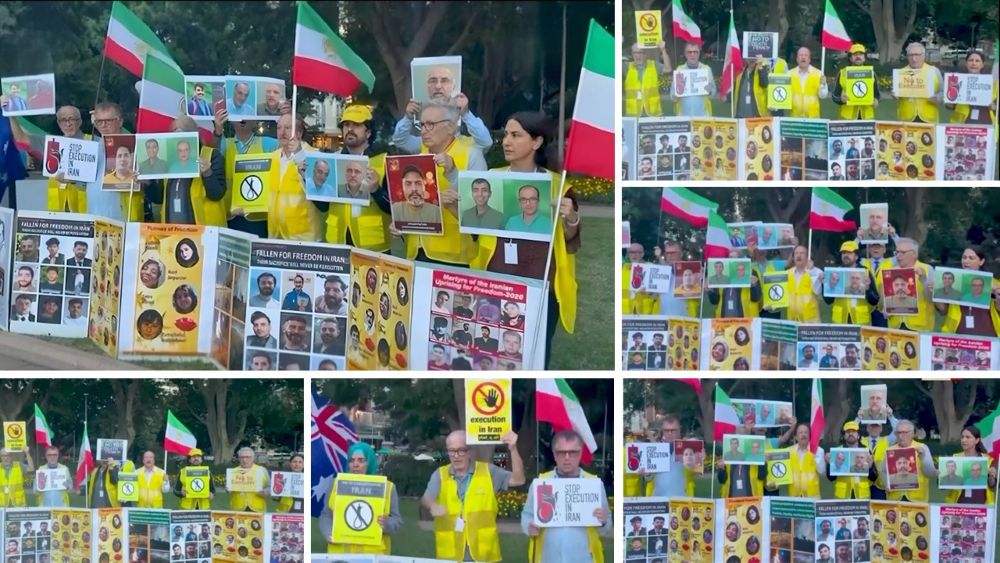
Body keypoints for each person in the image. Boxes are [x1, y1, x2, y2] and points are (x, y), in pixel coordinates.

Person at [468, 112, 579, 367]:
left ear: (536, 142)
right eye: (506, 134)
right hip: (495, 283)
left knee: (535, 358)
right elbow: (476, 231)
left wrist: (570, 217)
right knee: (491, 353)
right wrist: (456, 208)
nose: (506, 141)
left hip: (541, 288)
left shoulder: (558, 185)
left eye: (516, 135)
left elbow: (571, 241)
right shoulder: (490, 179)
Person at [422, 430, 524, 562]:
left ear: (470, 451)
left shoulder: (489, 471)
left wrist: (513, 449)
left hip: (484, 553)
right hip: (450, 554)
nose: (456, 456)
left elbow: (519, 479)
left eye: (461, 450)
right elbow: (427, 498)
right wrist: (433, 505)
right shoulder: (440, 474)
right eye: (452, 451)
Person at [311, 105, 391, 251]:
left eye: (356, 125)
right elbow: (323, 207)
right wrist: (310, 181)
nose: (350, 129)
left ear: (368, 132)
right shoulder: (332, 162)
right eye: (346, 125)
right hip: (337, 242)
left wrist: (376, 190)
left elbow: (393, 209)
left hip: (372, 245)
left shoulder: (383, 160)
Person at [522, 430, 609, 563]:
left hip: (584, 558)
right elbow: (527, 514)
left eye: (573, 452)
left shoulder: (594, 485)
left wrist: (603, 521)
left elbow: (607, 524)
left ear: (580, 453)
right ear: (554, 455)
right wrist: (529, 526)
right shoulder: (540, 483)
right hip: (548, 558)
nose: (567, 457)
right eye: (561, 452)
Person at [141, 117, 226, 225]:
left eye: (183, 134)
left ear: (194, 135)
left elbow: (217, 194)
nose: (179, 139)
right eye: (174, 135)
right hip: (173, 232)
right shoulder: (169, 162)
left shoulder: (211, 155)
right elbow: (159, 198)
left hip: (205, 232)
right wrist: (148, 184)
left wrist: (207, 173)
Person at [214, 103, 280, 238]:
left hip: (258, 217)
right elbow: (211, 156)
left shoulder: (269, 144)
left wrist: (286, 115)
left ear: (255, 120)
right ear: (231, 120)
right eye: (238, 115)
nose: (242, 119)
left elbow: (288, 150)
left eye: (246, 115)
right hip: (231, 215)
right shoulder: (224, 143)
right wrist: (217, 131)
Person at [321, 443, 399, 553]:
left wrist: (387, 523)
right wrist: (328, 533)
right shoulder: (336, 484)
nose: (355, 465)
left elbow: (396, 520)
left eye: (361, 460)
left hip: (373, 555)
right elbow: (326, 515)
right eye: (351, 460)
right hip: (340, 554)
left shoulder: (388, 487)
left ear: (370, 461)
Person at [86, 102, 145, 221]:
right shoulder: (90, 149)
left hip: (124, 218)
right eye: (99, 122)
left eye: (108, 121)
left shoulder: (136, 147)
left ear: (120, 121)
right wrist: (69, 179)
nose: (103, 125)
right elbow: (83, 184)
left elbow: (149, 184)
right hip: (94, 216)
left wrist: (142, 178)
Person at [268, 112, 321, 240]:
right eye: (279, 127)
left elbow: (318, 191)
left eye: (288, 128)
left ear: (299, 132)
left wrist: (298, 154)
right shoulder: (272, 157)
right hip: (276, 234)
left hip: (303, 237)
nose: (282, 132)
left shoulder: (314, 156)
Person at [937, 246, 1000, 337]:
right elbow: (943, 310)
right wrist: (935, 293)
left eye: (971, 258)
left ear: (981, 261)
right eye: (964, 257)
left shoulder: (995, 284)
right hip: (957, 335)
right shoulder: (954, 281)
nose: (966, 261)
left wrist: (997, 294)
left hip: (987, 336)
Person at [875, 238, 935, 332]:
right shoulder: (890, 272)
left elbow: (932, 299)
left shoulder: (927, 269)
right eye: (897, 252)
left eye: (902, 252)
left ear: (914, 254)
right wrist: (885, 310)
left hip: (919, 327)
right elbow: (883, 304)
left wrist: (923, 280)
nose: (898, 256)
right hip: (896, 327)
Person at [877, 420, 936, 502]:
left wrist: (922, 457)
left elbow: (930, 473)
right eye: (898, 433)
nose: (901, 436)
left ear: (912, 434)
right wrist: (886, 484)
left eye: (904, 433)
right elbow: (883, 471)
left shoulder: (922, 448)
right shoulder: (890, 450)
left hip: (916, 499)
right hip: (895, 499)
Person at [825, 241, 880, 325]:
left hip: (860, 322)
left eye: (849, 253)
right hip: (840, 322)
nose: (845, 255)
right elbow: (828, 301)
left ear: (856, 256)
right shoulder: (835, 272)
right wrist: (825, 284)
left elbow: (875, 301)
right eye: (843, 253)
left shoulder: (865, 272)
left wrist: (868, 289)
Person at [944, 426, 997, 505]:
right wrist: (942, 475)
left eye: (968, 437)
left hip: (982, 507)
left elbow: (992, 486)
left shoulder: (987, 460)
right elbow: (944, 486)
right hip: (957, 506)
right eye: (962, 437)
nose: (964, 440)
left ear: (977, 440)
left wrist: (991, 476)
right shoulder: (955, 458)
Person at [825, 422, 874, 499]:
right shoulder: (837, 451)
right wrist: (829, 465)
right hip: (842, 496)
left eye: (854, 431)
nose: (851, 434)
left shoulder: (866, 451)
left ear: (858, 435)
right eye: (848, 432)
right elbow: (831, 478)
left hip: (862, 496)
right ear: (844, 436)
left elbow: (874, 478)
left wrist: (870, 468)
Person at [707, 250, 762, 318]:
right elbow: (714, 301)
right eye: (730, 257)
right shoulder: (722, 276)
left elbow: (756, 298)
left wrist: (754, 285)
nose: (732, 260)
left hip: (746, 319)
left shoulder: (751, 272)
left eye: (736, 257)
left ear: (742, 260)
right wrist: (709, 291)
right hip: (723, 320)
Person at [624, 41, 672, 117]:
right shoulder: (627, 67)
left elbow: (668, 69)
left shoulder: (653, 65)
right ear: (632, 54)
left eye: (640, 53)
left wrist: (663, 50)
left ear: (645, 54)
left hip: (652, 114)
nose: (638, 56)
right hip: (633, 115)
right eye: (635, 53)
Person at [833, 44, 881, 120]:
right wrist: (841, 100)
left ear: (864, 58)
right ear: (850, 58)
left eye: (861, 54)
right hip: (847, 118)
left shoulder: (871, 73)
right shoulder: (842, 73)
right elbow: (835, 96)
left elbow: (877, 95)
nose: (858, 56)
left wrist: (876, 101)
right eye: (855, 54)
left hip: (866, 117)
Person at [786, 423, 825, 498]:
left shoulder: (818, 450)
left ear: (809, 435)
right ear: (796, 437)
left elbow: (822, 471)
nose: (803, 435)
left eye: (806, 432)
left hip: (812, 496)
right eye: (800, 432)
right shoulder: (789, 451)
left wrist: (814, 454)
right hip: (794, 496)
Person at [786, 245, 824, 322]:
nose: (798, 255)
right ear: (793, 257)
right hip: (792, 320)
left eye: (802, 253)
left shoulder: (817, 272)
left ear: (807, 257)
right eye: (796, 253)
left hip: (810, 321)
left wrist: (812, 270)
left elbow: (818, 292)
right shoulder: (787, 274)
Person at [790, 47, 829, 118]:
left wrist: (823, 85)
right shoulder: (789, 74)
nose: (803, 57)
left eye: (806, 55)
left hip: (813, 117)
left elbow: (823, 96)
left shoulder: (818, 73)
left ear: (809, 59)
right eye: (801, 55)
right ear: (797, 59)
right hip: (795, 118)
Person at [622, 243, 660, 315]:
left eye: (637, 252)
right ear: (628, 254)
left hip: (646, 314)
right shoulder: (622, 268)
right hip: (625, 315)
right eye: (631, 252)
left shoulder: (651, 268)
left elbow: (658, 294)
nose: (634, 255)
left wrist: (651, 293)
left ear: (642, 254)